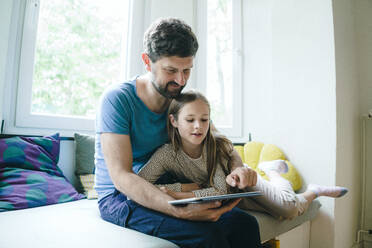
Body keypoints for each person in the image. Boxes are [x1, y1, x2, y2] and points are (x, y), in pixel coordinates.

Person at [95, 17, 262, 248]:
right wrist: (182, 212)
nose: (180, 80)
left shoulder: (180, 101)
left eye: (187, 70)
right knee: (207, 237)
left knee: (245, 225)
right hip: (120, 198)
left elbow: (221, 142)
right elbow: (121, 177)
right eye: (171, 70)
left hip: (169, 187)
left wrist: (237, 168)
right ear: (147, 61)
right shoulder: (117, 100)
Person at [138, 90, 349, 219]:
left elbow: (219, 191)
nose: (198, 127)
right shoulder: (166, 155)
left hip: (242, 181)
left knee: (288, 209)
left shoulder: (215, 146)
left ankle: (306, 188)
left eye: (204, 120)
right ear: (174, 121)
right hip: (233, 195)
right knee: (275, 211)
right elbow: (139, 184)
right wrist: (186, 187)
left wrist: (176, 195)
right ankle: (274, 173)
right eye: (190, 119)